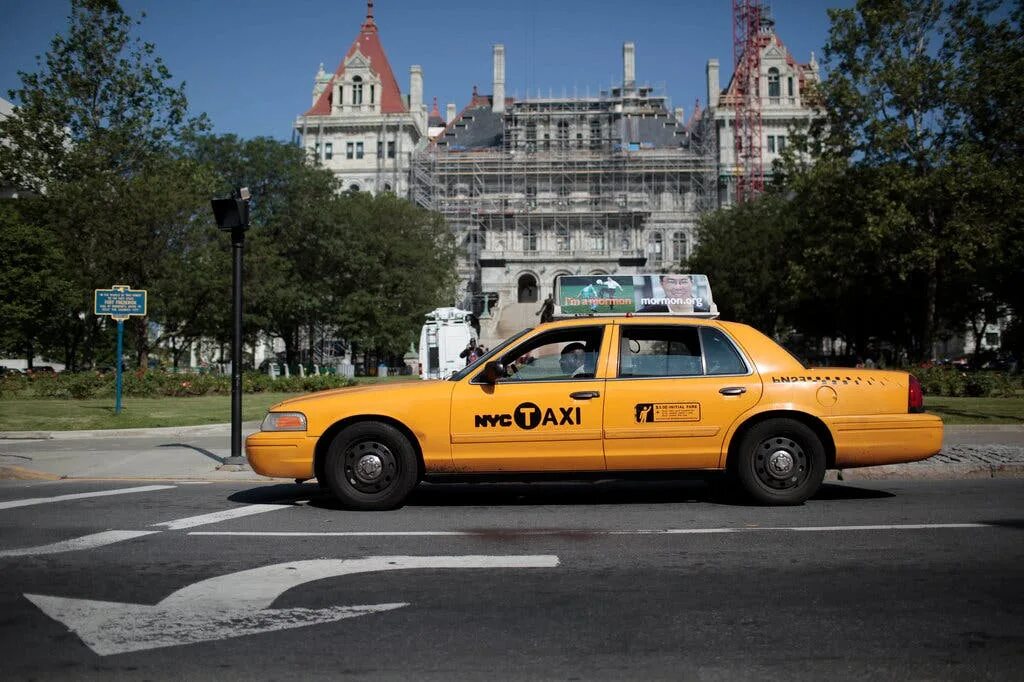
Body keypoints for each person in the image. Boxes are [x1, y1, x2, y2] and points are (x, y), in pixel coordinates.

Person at [638, 274, 710, 313]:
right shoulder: (648, 313)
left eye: (684, 281)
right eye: (671, 282)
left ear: (692, 283)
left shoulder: (705, 313)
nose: (678, 287)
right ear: (662, 284)